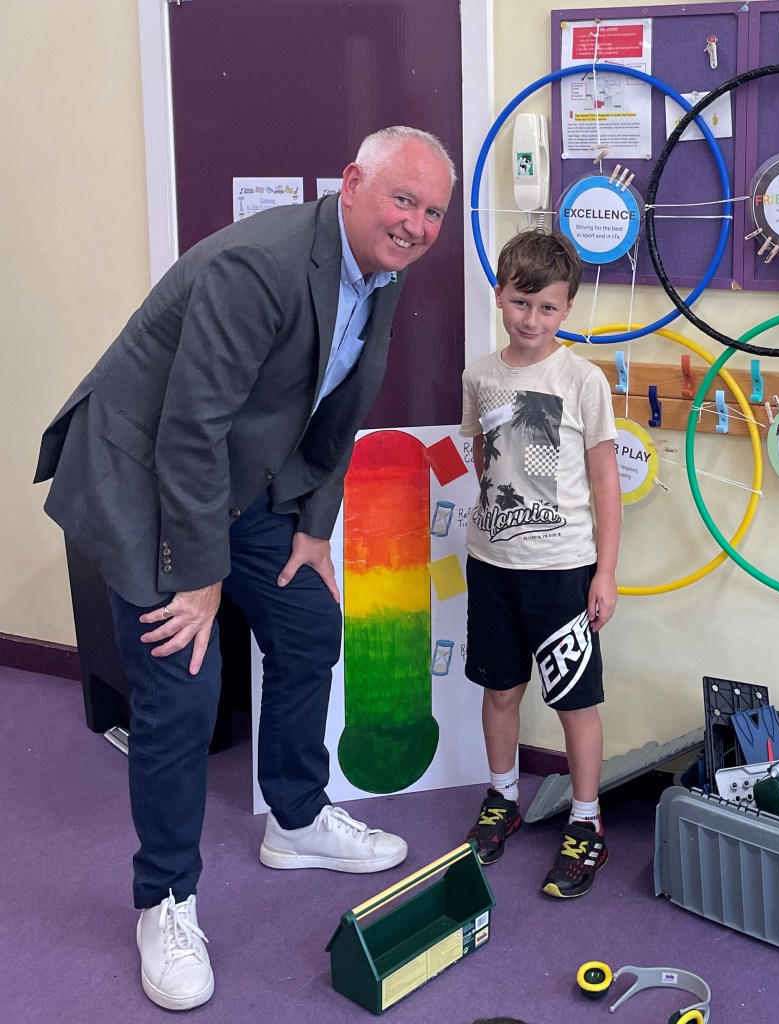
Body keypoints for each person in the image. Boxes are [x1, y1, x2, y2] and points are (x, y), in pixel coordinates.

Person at [34, 126, 455, 1010]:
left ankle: (295, 818)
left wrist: (313, 529)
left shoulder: (379, 269)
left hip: (239, 474)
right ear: (352, 183)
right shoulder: (256, 267)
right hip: (144, 473)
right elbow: (189, 430)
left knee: (308, 623)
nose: (417, 225)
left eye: (432, 212)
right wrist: (200, 577)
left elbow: (341, 403)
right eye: (402, 200)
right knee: (183, 682)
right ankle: (163, 899)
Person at [460, 230, 621, 900]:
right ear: (500, 294)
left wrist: (605, 571)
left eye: (548, 307)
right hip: (491, 564)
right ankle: (503, 797)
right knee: (501, 690)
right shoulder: (479, 376)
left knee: (575, 702)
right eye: (521, 303)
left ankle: (586, 822)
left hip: (562, 571)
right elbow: (482, 455)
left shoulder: (583, 380)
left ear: (567, 309)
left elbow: (606, 480)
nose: (531, 319)